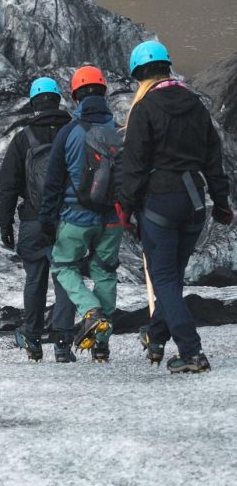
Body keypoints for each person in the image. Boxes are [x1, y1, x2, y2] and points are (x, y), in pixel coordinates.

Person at [118, 40, 232, 373]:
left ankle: (192, 351)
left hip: (160, 201)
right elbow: (214, 160)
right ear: (168, 67)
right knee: (172, 279)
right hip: (195, 201)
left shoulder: (144, 108)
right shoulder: (197, 105)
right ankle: (155, 337)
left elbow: (135, 165)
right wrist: (222, 203)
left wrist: (125, 206)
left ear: (139, 74)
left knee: (164, 279)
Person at [39, 66, 123, 362]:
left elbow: (52, 182)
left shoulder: (69, 132)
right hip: (112, 218)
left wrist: (47, 220)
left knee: (63, 266)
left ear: (75, 96)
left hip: (75, 216)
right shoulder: (119, 131)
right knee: (104, 273)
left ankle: (90, 312)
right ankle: (101, 344)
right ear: (103, 92)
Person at [0, 77, 78, 362]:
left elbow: (8, 185)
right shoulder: (74, 133)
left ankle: (32, 339)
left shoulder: (23, 138)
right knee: (66, 279)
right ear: (57, 100)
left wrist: (5, 224)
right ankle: (63, 343)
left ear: (34, 103)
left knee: (35, 279)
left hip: (32, 220)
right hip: (68, 219)